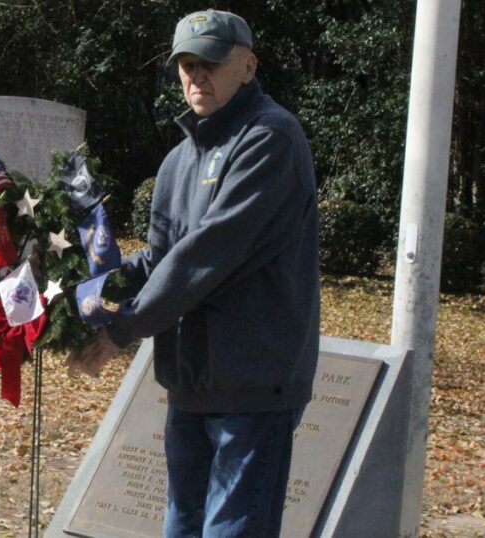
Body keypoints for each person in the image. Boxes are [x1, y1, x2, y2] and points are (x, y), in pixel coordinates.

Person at [67, 9, 320, 538]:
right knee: (182, 529)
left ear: (247, 66)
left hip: (252, 387)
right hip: (190, 383)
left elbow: (205, 256)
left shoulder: (271, 139)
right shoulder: (179, 160)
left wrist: (120, 330)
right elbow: (160, 259)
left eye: (210, 61)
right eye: (186, 62)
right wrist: (81, 291)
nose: (195, 74)